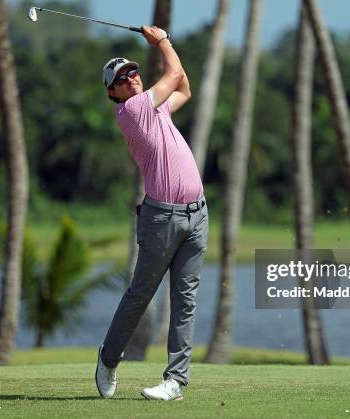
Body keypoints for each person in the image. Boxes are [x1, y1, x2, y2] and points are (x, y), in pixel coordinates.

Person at [95, 26, 209, 401]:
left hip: (197, 216)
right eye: (122, 78)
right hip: (162, 218)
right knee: (140, 295)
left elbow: (185, 89)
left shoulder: (155, 108)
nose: (131, 78)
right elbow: (174, 75)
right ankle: (109, 358)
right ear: (113, 92)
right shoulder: (132, 112)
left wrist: (163, 48)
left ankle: (175, 381)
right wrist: (161, 42)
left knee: (185, 300)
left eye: (133, 72)